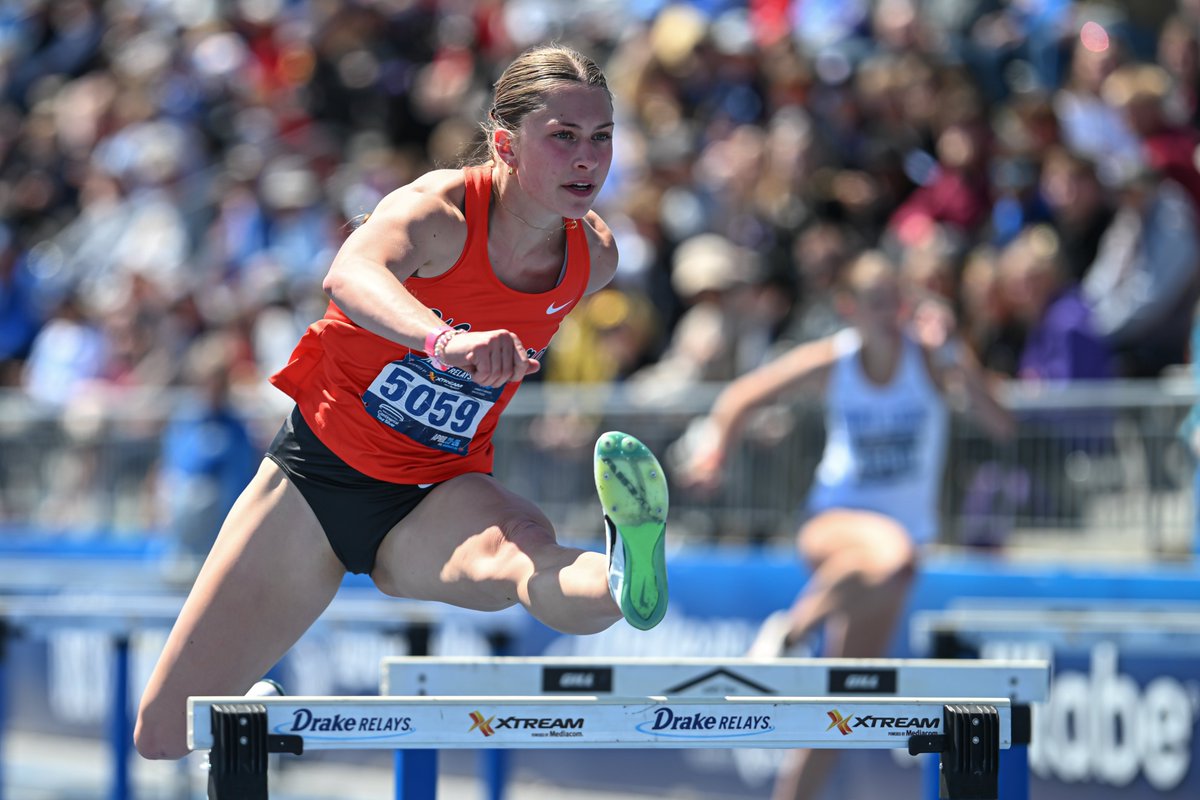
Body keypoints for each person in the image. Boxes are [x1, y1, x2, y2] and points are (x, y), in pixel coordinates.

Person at [134, 44, 670, 761]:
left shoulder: (593, 259)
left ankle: (621, 570)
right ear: (505, 144)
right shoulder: (438, 212)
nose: (587, 159)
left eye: (601, 137)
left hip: (439, 493)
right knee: (165, 734)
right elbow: (349, 274)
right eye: (563, 137)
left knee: (524, 562)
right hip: (316, 484)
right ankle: (252, 720)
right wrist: (446, 343)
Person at [679, 251, 1012, 800]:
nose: (889, 314)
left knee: (842, 710)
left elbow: (1000, 424)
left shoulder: (931, 359)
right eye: (876, 303)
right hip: (834, 526)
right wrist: (715, 449)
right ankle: (790, 631)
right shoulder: (835, 359)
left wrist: (958, 358)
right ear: (849, 308)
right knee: (895, 557)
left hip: (890, 563)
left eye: (895, 301)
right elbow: (741, 397)